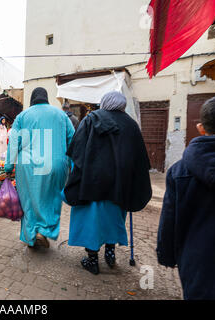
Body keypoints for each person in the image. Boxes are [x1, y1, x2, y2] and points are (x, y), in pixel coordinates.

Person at [63, 91, 152, 275]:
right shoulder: (132, 125)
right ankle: (110, 254)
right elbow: (140, 159)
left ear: (104, 103)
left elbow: (77, 151)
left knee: (92, 221)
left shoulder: (90, 120)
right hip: (120, 185)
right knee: (114, 218)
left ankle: (92, 260)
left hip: (92, 183)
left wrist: (75, 174)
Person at [157, 94, 215, 300]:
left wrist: (166, 254)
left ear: (201, 128)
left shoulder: (179, 171)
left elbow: (170, 217)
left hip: (197, 263)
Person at [5, 87, 75, 248]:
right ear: (46, 98)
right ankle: (43, 231)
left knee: (29, 201)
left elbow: (14, 142)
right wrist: (73, 165)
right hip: (56, 164)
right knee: (51, 199)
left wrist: (8, 167)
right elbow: (73, 140)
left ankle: (31, 235)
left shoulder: (23, 116)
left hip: (28, 166)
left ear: (32, 99)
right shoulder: (61, 115)